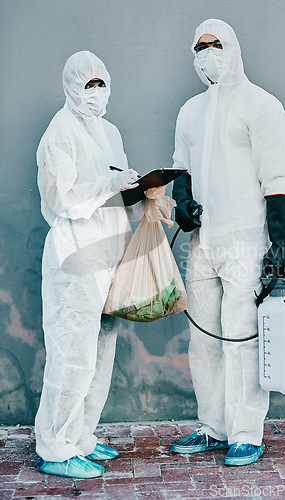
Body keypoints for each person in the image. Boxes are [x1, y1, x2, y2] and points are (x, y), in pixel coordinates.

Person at [170, 19, 285, 466]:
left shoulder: (261, 106)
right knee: (203, 338)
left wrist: (279, 248)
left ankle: (246, 431)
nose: (208, 54)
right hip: (203, 241)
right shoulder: (191, 111)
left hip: (245, 239)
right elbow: (181, 168)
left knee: (241, 338)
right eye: (200, 47)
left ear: (234, 48)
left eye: (216, 45)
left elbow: (278, 181)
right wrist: (183, 202)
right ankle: (214, 426)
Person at [34, 51, 139, 478]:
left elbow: (112, 190)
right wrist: (109, 183)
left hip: (108, 251)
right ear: (72, 86)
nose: (96, 93)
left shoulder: (109, 131)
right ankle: (55, 448)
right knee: (72, 350)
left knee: (101, 349)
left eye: (102, 84)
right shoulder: (59, 132)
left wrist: (138, 187)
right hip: (75, 254)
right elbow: (61, 197)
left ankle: (81, 438)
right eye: (88, 84)